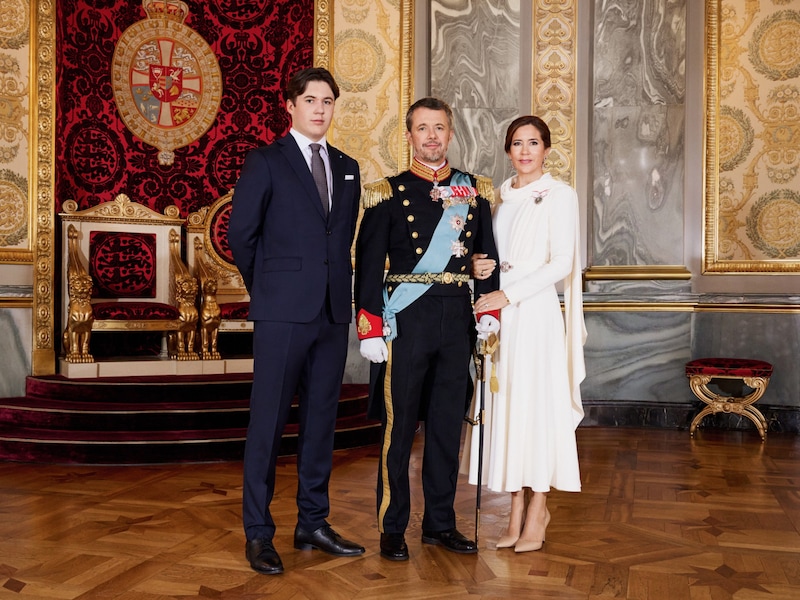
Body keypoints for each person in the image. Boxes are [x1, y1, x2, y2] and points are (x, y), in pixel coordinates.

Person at [228, 67, 364, 575]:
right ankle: (259, 533)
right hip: (282, 313)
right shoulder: (265, 161)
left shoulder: (348, 167)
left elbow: (341, 239)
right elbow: (241, 236)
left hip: (331, 313)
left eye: (328, 100)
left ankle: (313, 521)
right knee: (267, 424)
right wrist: (268, 290)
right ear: (291, 105)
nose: (321, 109)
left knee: (320, 424)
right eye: (311, 100)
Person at [354, 96, 500, 561]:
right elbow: (368, 265)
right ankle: (392, 525)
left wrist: (487, 311)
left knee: (444, 428)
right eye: (423, 128)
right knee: (399, 430)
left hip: (456, 318)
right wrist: (370, 327)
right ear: (409, 135)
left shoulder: (474, 192)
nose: (432, 136)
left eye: (440, 128)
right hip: (407, 321)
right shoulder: (386, 192)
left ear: (450, 134)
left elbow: (486, 256)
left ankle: (440, 523)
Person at [464, 115, 587, 552]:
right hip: (501, 317)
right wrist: (479, 269)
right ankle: (514, 508)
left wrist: (507, 295)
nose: (525, 151)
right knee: (506, 407)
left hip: (533, 315)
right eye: (517, 143)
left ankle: (539, 508)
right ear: (508, 150)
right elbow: (492, 258)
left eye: (533, 143)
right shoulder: (497, 200)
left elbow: (561, 262)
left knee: (535, 409)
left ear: (547, 149)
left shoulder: (560, 195)